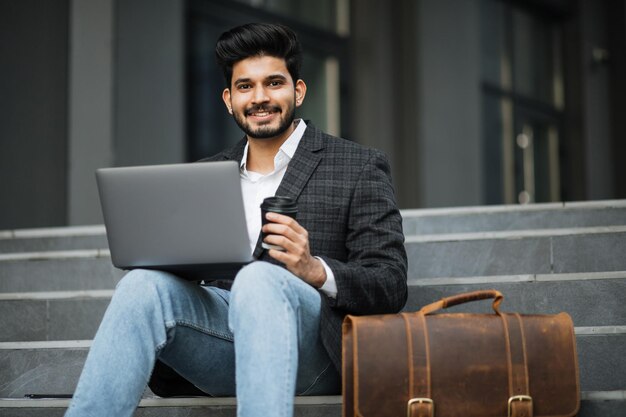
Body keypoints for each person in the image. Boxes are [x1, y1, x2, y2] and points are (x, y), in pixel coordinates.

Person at [65, 22, 407, 417]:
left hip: (315, 356)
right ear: (229, 100)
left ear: (298, 90)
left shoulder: (358, 165)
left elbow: (390, 280)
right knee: (142, 285)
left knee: (259, 278)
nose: (260, 97)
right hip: (222, 345)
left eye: (274, 83)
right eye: (246, 87)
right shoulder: (204, 175)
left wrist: (314, 269)